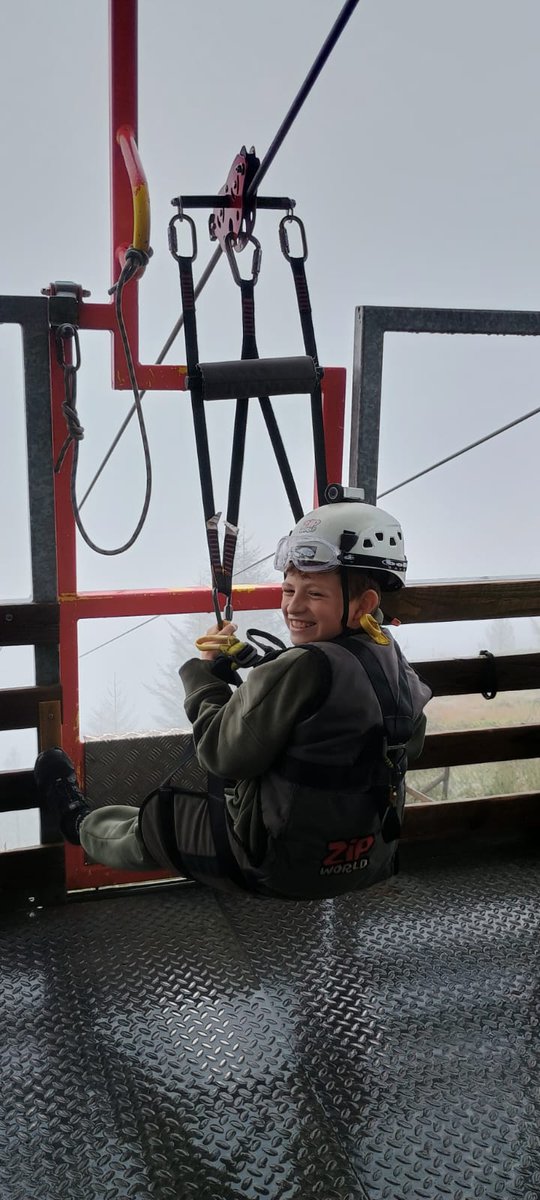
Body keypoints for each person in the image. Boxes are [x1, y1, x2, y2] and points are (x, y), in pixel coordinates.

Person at [34, 498, 432, 900]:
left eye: (314, 594)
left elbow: (220, 755)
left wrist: (204, 677)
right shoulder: (393, 661)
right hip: (368, 855)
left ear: (364, 604)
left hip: (278, 861)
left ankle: (79, 824)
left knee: (158, 823)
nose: (294, 606)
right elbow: (404, 742)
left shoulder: (300, 668)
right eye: (288, 590)